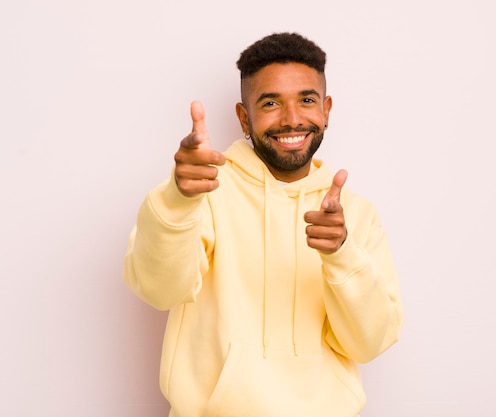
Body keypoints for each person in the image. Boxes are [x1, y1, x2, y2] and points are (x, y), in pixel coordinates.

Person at [123, 32, 403, 417]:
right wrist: (177, 201)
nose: (292, 119)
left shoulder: (355, 214)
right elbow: (159, 291)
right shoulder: (202, 190)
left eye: (307, 100)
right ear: (244, 117)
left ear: (327, 110)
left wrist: (341, 255)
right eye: (270, 103)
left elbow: (370, 343)